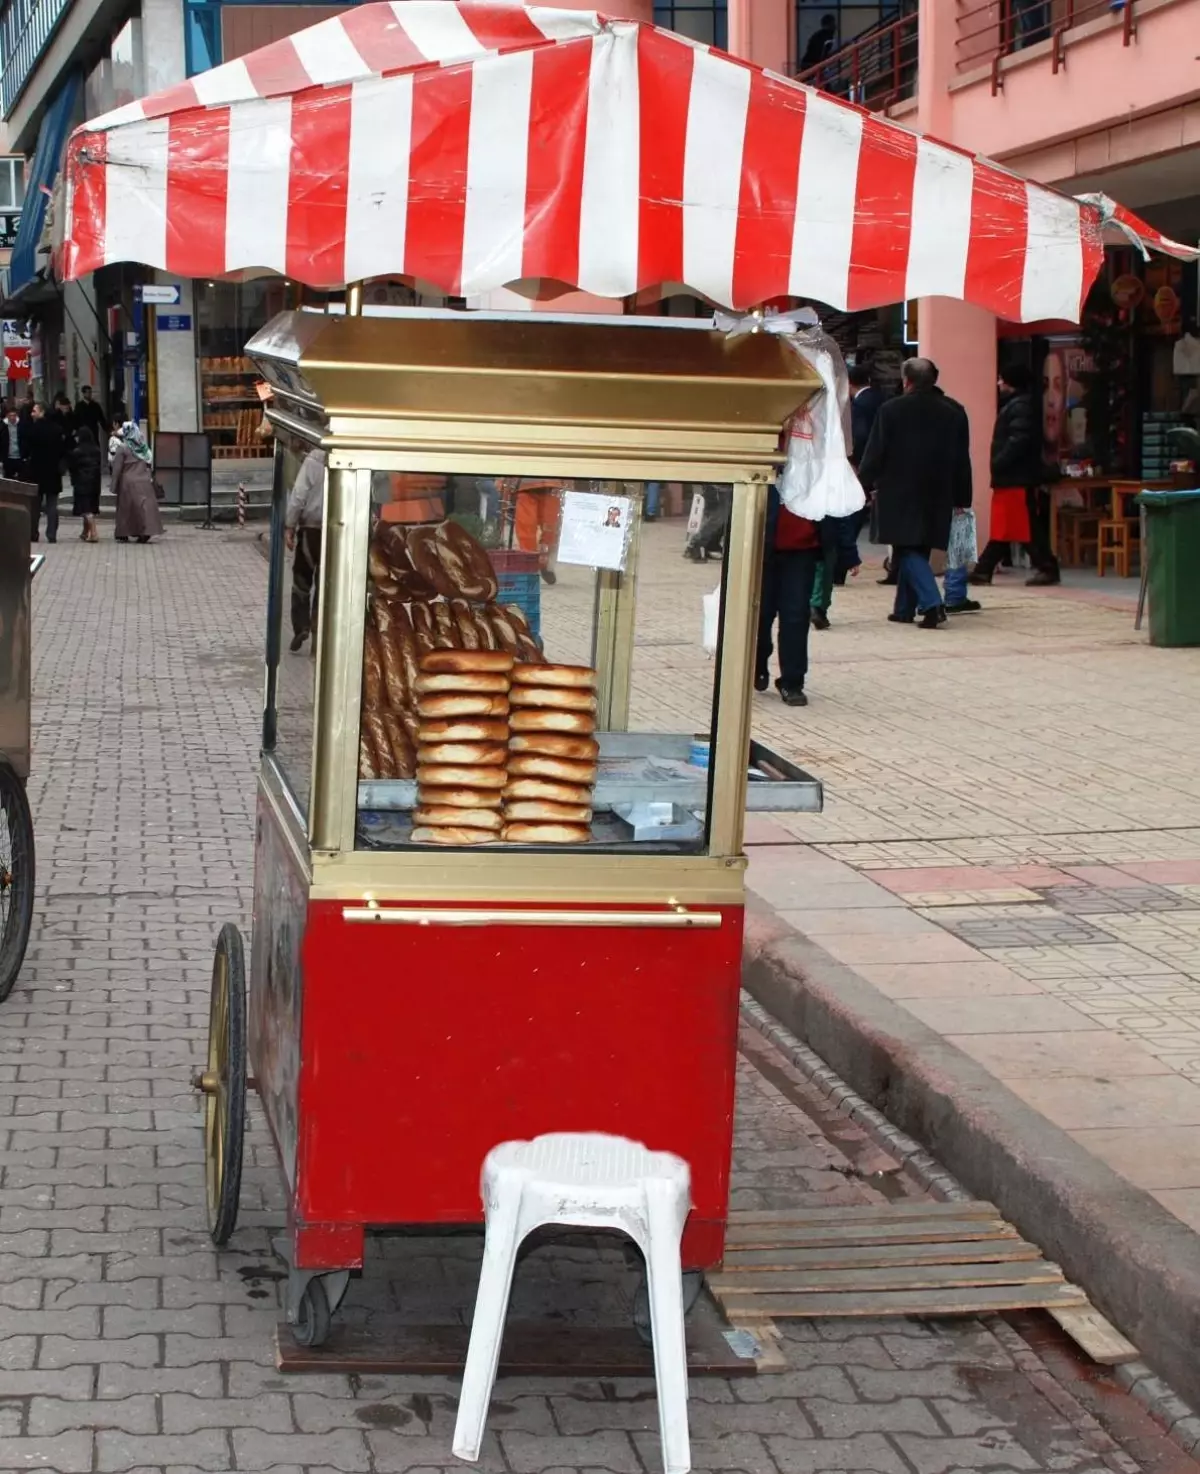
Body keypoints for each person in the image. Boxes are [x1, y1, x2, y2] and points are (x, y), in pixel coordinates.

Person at [858, 357, 973, 629]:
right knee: (915, 547)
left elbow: (875, 452)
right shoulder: (954, 411)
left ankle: (932, 604)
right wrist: (962, 497)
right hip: (939, 490)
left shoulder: (891, 410)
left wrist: (862, 484)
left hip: (898, 489)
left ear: (906, 380)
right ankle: (903, 608)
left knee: (907, 546)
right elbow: (962, 458)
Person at [969, 363, 1060, 588]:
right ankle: (985, 569)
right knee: (1012, 526)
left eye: (1002, 379)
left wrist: (1000, 461)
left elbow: (1019, 440)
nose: (999, 383)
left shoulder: (1020, 406)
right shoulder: (1017, 404)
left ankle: (1044, 567)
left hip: (1016, 477)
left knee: (1022, 526)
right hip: (1013, 477)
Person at [756, 483, 820, 707]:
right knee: (760, 614)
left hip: (801, 550)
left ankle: (792, 682)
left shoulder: (814, 454)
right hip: (760, 549)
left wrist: (845, 549)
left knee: (795, 616)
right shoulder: (764, 454)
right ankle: (757, 661)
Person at [285, 446, 326, 652]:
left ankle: (301, 626)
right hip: (338, 533)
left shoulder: (312, 461)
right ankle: (319, 630)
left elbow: (298, 496)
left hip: (310, 531)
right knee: (325, 586)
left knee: (302, 581)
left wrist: (290, 525)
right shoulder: (349, 454)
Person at [110, 422, 165, 544]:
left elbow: (117, 469)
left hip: (128, 482)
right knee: (144, 508)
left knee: (126, 509)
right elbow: (150, 462)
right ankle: (145, 532)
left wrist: (113, 485)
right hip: (144, 480)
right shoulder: (143, 447)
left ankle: (124, 533)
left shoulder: (123, 448)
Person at [25, 403, 64, 544]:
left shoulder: (33, 429)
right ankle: (52, 534)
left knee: (35, 504)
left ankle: (33, 533)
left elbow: (26, 449)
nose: (31, 414)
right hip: (53, 472)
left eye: (34, 411)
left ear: (42, 412)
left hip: (36, 472)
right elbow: (61, 451)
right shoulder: (57, 430)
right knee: (52, 504)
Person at [69, 425, 103, 543]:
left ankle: (93, 533)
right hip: (94, 482)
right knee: (90, 507)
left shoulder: (77, 451)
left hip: (81, 482)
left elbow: (72, 467)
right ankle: (85, 532)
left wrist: (73, 481)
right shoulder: (97, 450)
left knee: (86, 508)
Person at [1, 405, 26, 480]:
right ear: (7, 416)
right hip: (8, 458)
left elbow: (25, 440)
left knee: (21, 480)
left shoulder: (22, 425)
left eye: (14, 415)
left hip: (19, 457)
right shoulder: (3, 426)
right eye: (10, 416)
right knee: (8, 480)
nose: (12, 418)